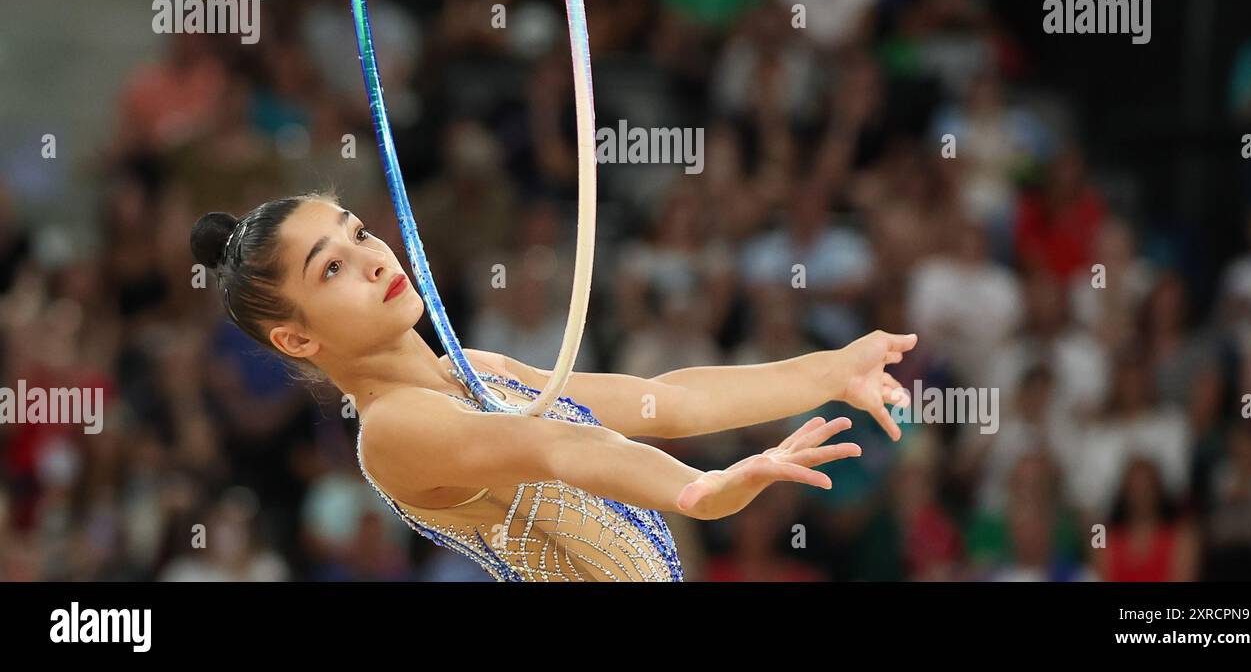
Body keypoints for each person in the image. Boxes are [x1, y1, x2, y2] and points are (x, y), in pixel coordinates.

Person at [190, 190, 916, 581]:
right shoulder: (392, 429)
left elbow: (663, 399)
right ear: (296, 339)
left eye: (357, 233)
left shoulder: (475, 368)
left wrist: (828, 372)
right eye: (331, 268)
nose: (373, 258)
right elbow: (557, 446)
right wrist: (695, 489)